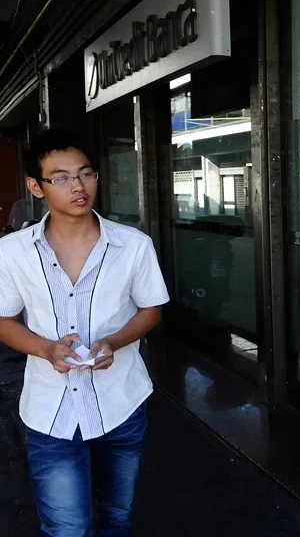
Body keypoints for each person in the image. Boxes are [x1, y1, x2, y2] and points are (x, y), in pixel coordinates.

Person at [0, 129, 169, 536]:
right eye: (60, 177)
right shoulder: (12, 251)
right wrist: (45, 348)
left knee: (117, 516)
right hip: (48, 412)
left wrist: (114, 341)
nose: (77, 186)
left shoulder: (134, 245)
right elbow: (3, 320)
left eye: (85, 173)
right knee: (67, 528)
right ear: (35, 187)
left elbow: (152, 310)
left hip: (121, 403)